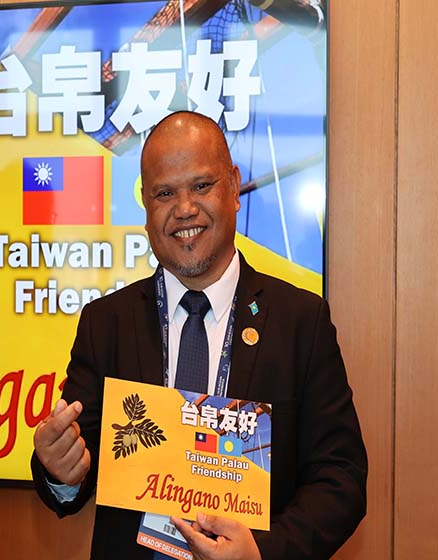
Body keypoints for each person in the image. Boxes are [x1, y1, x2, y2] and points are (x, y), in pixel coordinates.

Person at [31, 111, 367, 559]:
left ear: (234, 187)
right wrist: (60, 469)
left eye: (202, 185)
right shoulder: (106, 323)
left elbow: (340, 479)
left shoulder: (300, 322)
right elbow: (76, 467)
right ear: (146, 207)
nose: (185, 208)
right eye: (164, 193)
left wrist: (263, 553)